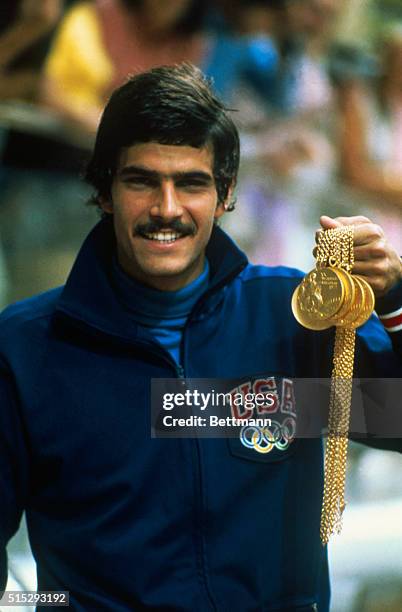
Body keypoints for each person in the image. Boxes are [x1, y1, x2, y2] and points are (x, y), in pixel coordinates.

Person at [0, 63, 401, 611]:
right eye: (142, 180)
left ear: (226, 194)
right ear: (104, 191)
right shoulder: (24, 350)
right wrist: (53, 604)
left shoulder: (292, 319)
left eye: (191, 182)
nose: (167, 209)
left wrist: (396, 298)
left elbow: (397, 420)